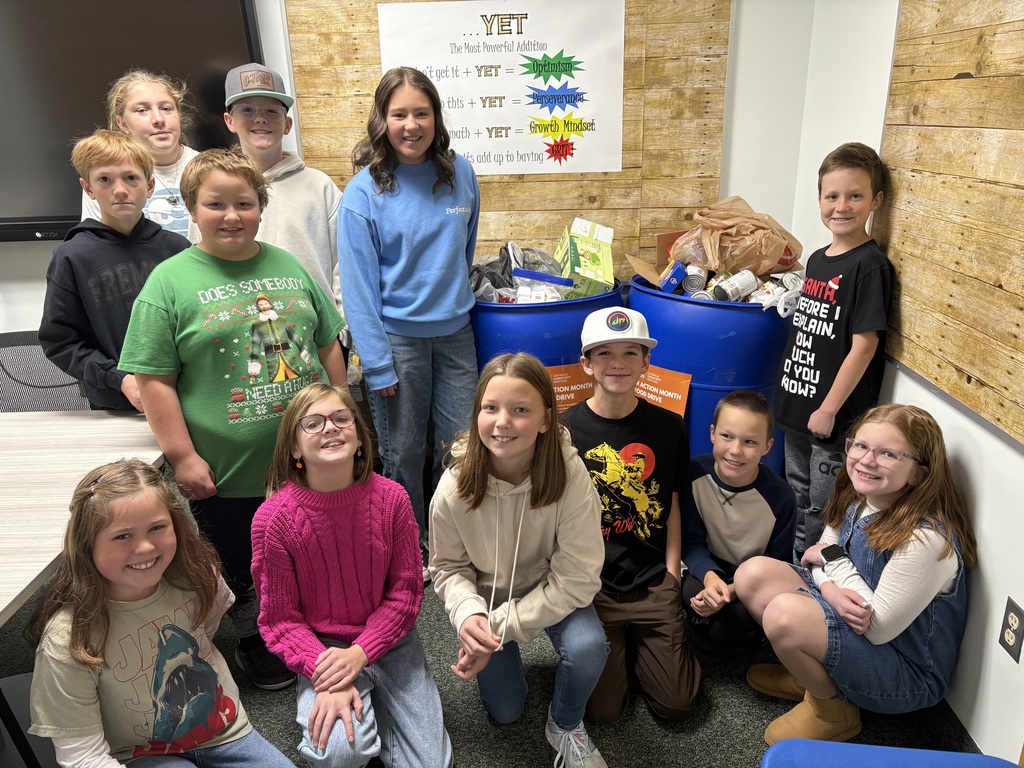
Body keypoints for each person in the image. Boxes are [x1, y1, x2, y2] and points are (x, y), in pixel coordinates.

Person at [120, 148, 347, 690]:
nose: (231, 215)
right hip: (227, 471)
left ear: (260, 208)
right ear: (192, 209)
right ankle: (256, 641)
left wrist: (342, 409)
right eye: (215, 204)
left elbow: (325, 342)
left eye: (244, 203)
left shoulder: (288, 265)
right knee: (245, 567)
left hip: (310, 459)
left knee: (310, 546)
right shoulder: (169, 283)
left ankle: (311, 622)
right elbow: (154, 380)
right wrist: (182, 456)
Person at [735, 404, 977, 746]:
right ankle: (811, 679)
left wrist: (828, 566)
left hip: (903, 669)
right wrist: (830, 587)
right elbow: (816, 555)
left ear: (919, 474)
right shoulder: (859, 492)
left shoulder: (926, 538)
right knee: (752, 574)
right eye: (860, 445)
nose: (865, 460)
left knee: (783, 615)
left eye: (888, 454)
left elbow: (876, 627)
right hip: (854, 619)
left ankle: (832, 712)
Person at [27, 459, 294, 767]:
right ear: (87, 544)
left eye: (157, 527)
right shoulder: (68, 638)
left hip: (225, 733)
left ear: (175, 523)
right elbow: (83, 756)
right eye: (122, 535)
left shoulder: (199, 576)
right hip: (141, 754)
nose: (144, 548)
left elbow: (204, 632)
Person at [252, 383, 452, 768]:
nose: (330, 428)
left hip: (390, 641)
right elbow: (280, 620)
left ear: (359, 437)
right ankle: (347, 701)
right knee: (342, 754)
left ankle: (378, 697)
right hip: (322, 648)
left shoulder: (392, 499)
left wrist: (362, 653)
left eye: (341, 418)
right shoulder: (272, 519)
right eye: (312, 423)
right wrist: (324, 672)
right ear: (294, 448)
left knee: (431, 764)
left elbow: (406, 595)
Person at [429, 352, 609, 768]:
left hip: (550, 584)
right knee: (506, 712)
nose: (503, 422)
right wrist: (470, 616)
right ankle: (507, 666)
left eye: (521, 410)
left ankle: (564, 724)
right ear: (476, 414)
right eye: (490, 408)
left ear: (546, 419)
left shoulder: (569, 474)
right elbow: (448, 568)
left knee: (588, 647)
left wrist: (501, 627)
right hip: (488, 595)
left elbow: (578, 578)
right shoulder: (454, 486)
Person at [339, 66, 480, 576]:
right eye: (399, 114)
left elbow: (464, 252)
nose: (411, 124)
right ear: (383, 120)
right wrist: (376, 364)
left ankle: (455, 542)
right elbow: (357, 289)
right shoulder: (362, 193)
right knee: (400, 454)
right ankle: (409, 547)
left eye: (422, 113)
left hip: (456, 336)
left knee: (462, 447)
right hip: (396, 342)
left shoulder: (460, 173)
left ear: (436, 118)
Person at [560, 306, 701, 725]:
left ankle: (654, 645)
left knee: (677, 706)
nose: (617, 364)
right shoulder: (566, 431)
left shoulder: (669, 427)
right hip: (593, 587)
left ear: (646, 362)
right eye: (603, 353)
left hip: (653, 578)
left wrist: (673, 574)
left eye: (629, 353)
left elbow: (672, 502)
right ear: (585, 363)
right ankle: (626, 653)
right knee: (603, 713)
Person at [774, 141, 893, 557]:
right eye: (832, 196)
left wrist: (828, 408)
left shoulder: (869, 265)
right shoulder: (819, 260)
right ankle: (794, 570)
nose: (841, 206)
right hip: (797, 408)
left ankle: (813, 581)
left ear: (876, 200)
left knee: (823, 508)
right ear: (820, 198)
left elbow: (864, 345)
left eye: (855, 195)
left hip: (832, 419)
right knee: (796, 493)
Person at [40, 129, 189, 411]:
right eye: (105, 179)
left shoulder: (179, 250)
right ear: (88, 188)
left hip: (184, 402)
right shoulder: (72, 255)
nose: (119, 189)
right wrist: (118, 379)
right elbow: (59, 340)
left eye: (131, 178)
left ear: (150, 185)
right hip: (114, 407)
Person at [221, 63, 347, 349]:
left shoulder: (319, 186)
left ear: (287, 123)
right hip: (244, 338)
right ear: (229, 120)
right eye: (248, 110)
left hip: (316, 338)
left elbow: (344, 264)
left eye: (271, 111)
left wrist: (342, 330)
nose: (260, 119)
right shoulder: (215, 189)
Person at [681, 390, 797, 651]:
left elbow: (779, 563)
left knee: (729, 629)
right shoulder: (693, 473)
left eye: (750, 442)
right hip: (713, 565)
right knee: (689, 596)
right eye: (727, 436)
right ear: (712, 433)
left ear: (767, 446)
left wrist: (731, 591)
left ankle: (743, 632)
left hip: (754, 579)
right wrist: (711, 579)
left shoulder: (781, 497)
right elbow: (691, 539)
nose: (735, 450)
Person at [83, 69, 199, 240]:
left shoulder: (207, 168)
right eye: (142, 110)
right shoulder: (105, 177)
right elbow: (97, 246)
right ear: (122, 123)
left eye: (166, 108)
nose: (158, 119)